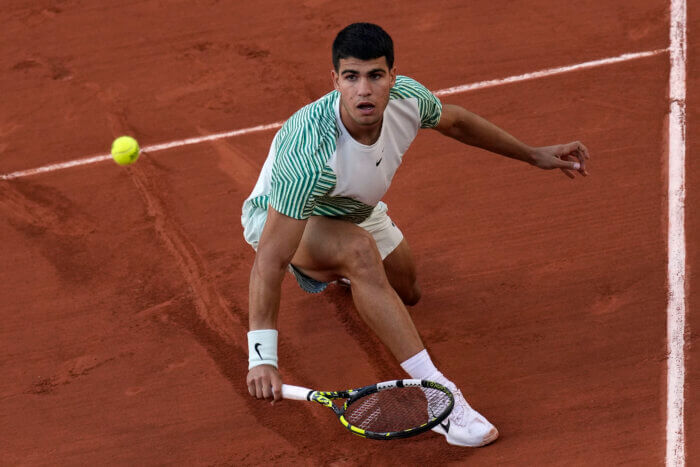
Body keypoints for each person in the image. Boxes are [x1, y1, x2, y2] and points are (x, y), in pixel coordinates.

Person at [241, 22, 589, 447]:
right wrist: (263, 357)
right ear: (335, 81)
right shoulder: (309, 156)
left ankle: (351, 272)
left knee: (408, 290)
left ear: (392, 75)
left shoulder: (410, 98)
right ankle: (443, 398)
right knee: (359, 251)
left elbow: (458, 122)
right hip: (287, 216)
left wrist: (532, 154)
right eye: (351, 77)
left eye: (375, 75)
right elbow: (271, 260)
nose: (363, 90)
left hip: (355, 207)